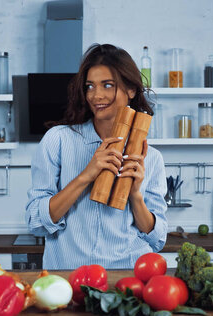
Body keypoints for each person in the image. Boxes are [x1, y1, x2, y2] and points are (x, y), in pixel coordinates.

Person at [25, 43, 168, 270]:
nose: (96, 95)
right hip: (70, 276)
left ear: (131, 90)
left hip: (126, 276)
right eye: (90, 86)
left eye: (107, 85)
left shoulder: (151, 157)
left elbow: (157, 239)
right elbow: (36, 222)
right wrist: (86, 176)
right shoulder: (58, 140)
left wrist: (135, 195)